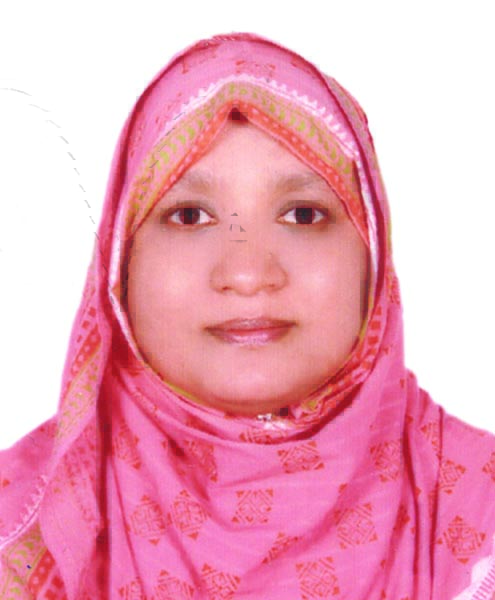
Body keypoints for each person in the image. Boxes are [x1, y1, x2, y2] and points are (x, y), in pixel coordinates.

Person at [1, 32, 494, 600]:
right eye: (190, 216)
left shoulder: (478, 506)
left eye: (303, 214)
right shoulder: (19, 528)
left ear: (373, 256)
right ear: (120, 265)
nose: (247, 273)